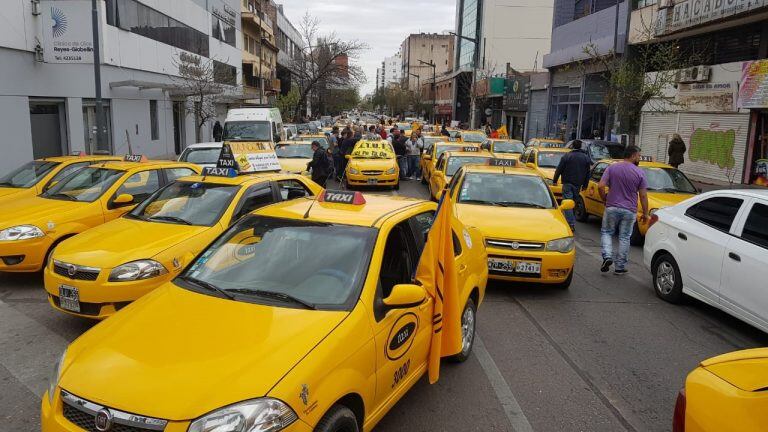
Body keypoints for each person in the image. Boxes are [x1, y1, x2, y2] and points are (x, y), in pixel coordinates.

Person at [597, 146, 649, 276]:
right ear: (632, 156)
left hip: (612, 206)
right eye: (638, 156)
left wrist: (605, 199)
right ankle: (620, 267)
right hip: (630, 210)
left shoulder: (612, 167)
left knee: (607, 232)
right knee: (625, 237)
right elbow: (643, 195)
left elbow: (601, 185)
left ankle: (607, 256)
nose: (639, 158)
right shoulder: (640, 172)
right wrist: (646, 213)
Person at [553, 139, 592, 231]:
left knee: (568, 203)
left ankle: (570, 223)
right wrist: (585, 184)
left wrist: (555, 180)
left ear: (572, 146)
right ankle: (571, 220)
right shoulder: (586, 158)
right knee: (573, 202)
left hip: (567, 183)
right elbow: (588, 173)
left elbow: (559, 169)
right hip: (578, 184)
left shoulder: (567, 156)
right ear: (581, 146)